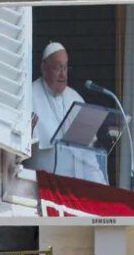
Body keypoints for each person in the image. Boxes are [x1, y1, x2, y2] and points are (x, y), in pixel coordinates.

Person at [26, 42, 106, 184]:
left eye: (65, 67)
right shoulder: (29, 96)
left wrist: (102, 186)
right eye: (57, 67)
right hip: (42, 186)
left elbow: (88, 155)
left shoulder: (75, 98)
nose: (63, 74)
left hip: (74, 188)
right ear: (44, 68)